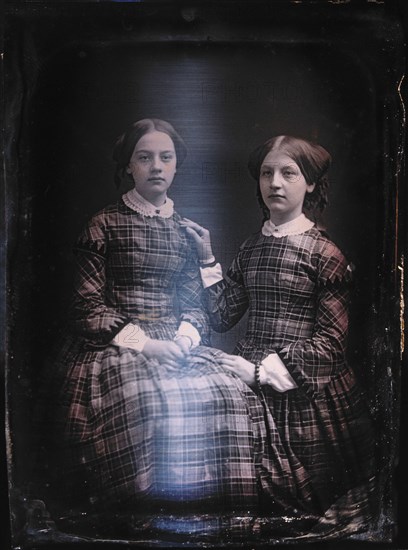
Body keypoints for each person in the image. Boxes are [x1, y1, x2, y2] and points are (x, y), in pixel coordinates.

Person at [41, 119, 275, 526]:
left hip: (174, 339)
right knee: (145, 400)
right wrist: (146, 345)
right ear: (129, 166)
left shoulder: (186, 232)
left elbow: (195, 305)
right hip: (116, 343)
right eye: (144, 157)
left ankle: (216, 519)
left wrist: (184, 341)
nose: (156, 166)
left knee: (229, 392)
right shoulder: (103, 225)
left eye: (165, 158)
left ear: (176, 166)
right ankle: (146, 521)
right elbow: (86, 308)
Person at [181, 135, 376, 535]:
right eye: (267, 173)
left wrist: (259, 373)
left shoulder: (325, 254)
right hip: (245, 373)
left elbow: (331, 344)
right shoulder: (251, 248)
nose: (275, 183)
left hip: (304, 390)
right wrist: (206, 258)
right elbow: (220, 317)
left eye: (289, 173)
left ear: (311, 184)